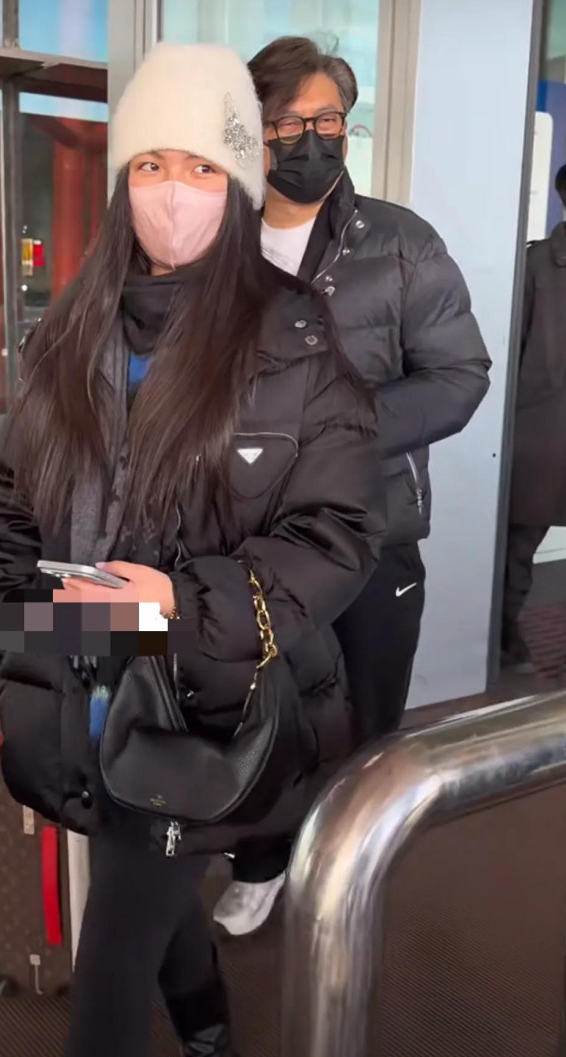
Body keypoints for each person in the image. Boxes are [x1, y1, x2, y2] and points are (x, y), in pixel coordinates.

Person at [0, 43, 385, 1057]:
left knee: (116, 936)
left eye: (201, 166)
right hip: (78, 671)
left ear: (239, 182)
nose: (173, 191)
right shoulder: (74, 327)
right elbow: (10, 503)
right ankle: (208, 1039)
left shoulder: (297, 339)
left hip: (204, 691)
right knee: (141, 878)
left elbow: (338, 533)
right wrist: (7, 649)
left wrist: (180, 603)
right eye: (150, 163)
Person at [213, 36, 491, 938]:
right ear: (251, 131)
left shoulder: (401, 242)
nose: (311, 139)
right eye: (287, 122)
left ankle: (349, 872)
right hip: (250, 539)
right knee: (260, 707)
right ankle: (262, 859)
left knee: (367, 715)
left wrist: (336, 435)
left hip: (374, 530)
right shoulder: (215, 238)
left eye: (328, 120)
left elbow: (459, 376)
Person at [502, 158, 566, 671]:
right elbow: (509, 352)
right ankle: (504, 640)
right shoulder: (535, 264)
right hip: (543, 428)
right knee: (518, 541)